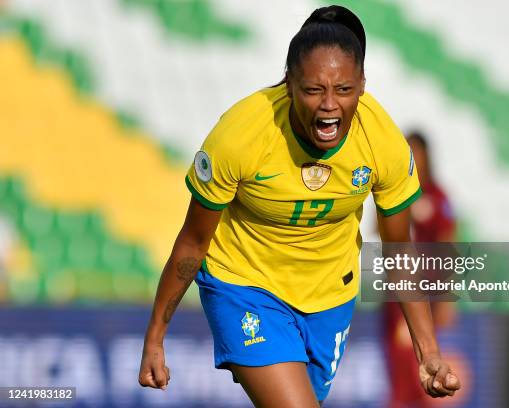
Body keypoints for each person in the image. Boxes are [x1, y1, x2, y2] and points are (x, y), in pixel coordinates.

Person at [138, 6, 460, 407]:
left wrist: (428, 353)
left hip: (329, 300)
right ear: (290, 83)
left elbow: (398, 251)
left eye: (343, 89)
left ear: (362, 85)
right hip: (245, 286)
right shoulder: (241, 134)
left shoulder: (384, 143)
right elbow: (193, 241)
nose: (329, 104)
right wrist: (155, 337)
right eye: (313, 89)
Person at [382, 131, 458, 408]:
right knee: (397, 366)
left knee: (416, 366)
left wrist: (448, 297)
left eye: (417, 152)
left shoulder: (438, 196)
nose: (412, 158)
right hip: (396, 292)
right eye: (407, 152)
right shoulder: (394, 192)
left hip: (425, 292)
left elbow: (448, 243)